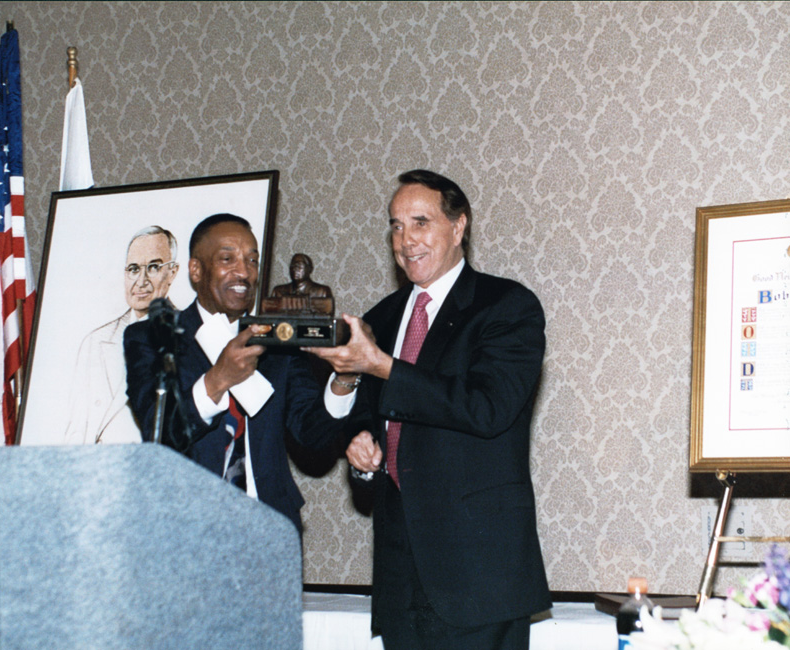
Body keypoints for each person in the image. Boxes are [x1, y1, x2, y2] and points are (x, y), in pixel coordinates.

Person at [310, 170, 551, 649]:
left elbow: (487, 408)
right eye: (396, 226)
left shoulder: (507, 306)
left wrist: (382, 366)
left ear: (458, 227)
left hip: (479, 577)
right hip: (400, 577)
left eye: (420, 222)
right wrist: (359, 443)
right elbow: (360, 420)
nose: (406, 240)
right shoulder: (381, 318)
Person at [123, 213, 343, 532]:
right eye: (228, 259)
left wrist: (345, 378)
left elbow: (313, 434)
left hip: (270, 531)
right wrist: (217, 380)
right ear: (196, 270)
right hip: (186, 533)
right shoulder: (151, 337)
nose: (244, 272)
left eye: (252, 260)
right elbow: (157, 433)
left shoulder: (277, 341)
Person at [64, 225, 179, 444]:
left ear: (172, 272)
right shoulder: (96, 341)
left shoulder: (188, 335)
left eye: (153, 267)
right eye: (134, 269)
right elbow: (77, 428)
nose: (141, 281)